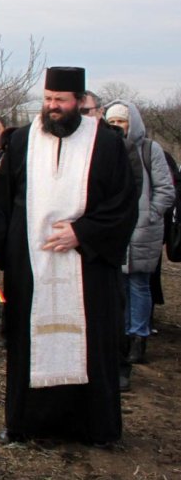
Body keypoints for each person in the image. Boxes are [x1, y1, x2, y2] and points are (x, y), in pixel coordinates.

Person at [0, 67, 137, 445]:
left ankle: (95, 428)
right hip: (31, 263)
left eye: (60, 101)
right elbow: (1, 199)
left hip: (87, 265)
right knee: (28, 340)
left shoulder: (106, 143)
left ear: (79, 101)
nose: (52, 107)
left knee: (91, 342)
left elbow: (123, 203)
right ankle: (26, 423)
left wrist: (82, 232)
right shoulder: (22, 141)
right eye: (48, 99)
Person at [104, 101, 174, 380]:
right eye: (112, 122)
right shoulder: (107, 150)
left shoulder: (149, 149)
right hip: (116, 228)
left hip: (144, 228)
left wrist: (151, 215)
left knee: (139, 283)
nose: (117, 126)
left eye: (121, 121)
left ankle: (138, 337)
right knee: (118, 285)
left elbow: (165, 188)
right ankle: (121, 334)